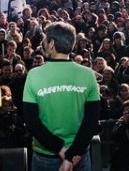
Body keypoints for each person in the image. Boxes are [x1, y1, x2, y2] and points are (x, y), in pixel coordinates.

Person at [23, 21, 100, 171]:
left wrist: (60, 150)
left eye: (45, 39)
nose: (43, 42)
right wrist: (71, 155)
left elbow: (31, 122)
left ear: (51, 43)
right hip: (79, 155)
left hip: (46, 155)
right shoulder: (88, 75)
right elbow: (91, 122)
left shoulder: (33, 75)